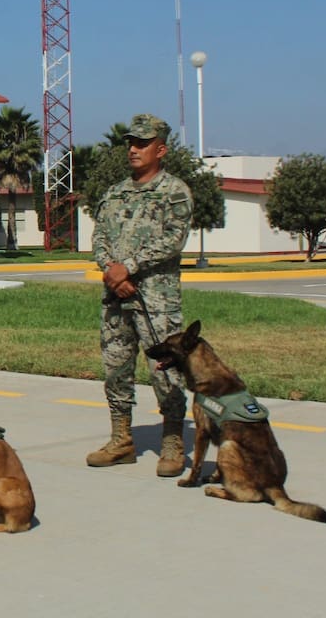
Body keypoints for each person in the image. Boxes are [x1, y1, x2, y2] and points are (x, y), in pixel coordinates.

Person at [87, 113, 192, 476]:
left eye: (142, 143)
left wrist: (127, 266)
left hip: (156, 301)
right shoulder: (115, 193)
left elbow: (172, 241)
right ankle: (121, 439)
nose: (133, 149)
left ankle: (173, 442)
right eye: (131, 142)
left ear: (160, 149)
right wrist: (112, 273)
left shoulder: (174, 191)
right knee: (116, 369)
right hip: (116, 299)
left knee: (165, 372)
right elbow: (99, 238)